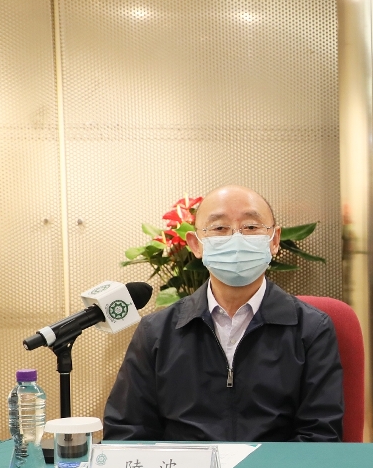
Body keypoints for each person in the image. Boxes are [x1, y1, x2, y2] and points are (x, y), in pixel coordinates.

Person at [104, 185, 343, 442]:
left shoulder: (311, 329)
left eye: (250, 227)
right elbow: (127, 432)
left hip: (275, 467)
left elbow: (320, 436)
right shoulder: (157, 332)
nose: (236, 238)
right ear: (196, 245)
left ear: (274, 241)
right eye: (219, 228)